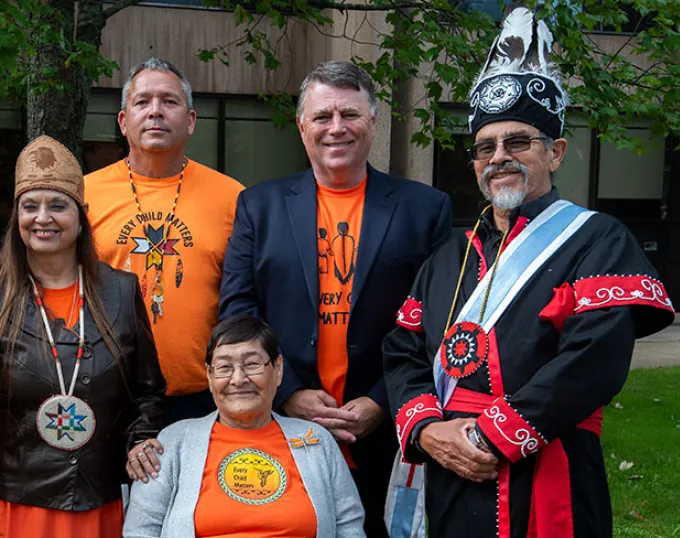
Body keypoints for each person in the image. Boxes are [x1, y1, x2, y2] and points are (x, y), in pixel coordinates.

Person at [383, 8, 675, 538]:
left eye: (518, 142)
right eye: (485, 147)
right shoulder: (449, 254)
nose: (499, 158)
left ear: (556, 152)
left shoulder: (598, 239)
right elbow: (401, 351)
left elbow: (594, 360)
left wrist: (489, 437)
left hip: (547, 468)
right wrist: (428, 431)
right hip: (449, 472)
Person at [218, 61, 451, 537]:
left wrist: (383, 401)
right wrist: (287, 393)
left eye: (350, 114)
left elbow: (440, 323)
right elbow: (239, 312)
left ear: (373, 121)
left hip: (386, 427)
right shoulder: (258, 206)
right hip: (283, 420)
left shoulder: (424, 209)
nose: (336, 128)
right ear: (302, 126)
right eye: (322, 116)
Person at [0, 135, 166, 538]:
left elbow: (147, 392)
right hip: (16, 507)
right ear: (16, 218)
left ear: (81, 218)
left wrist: (140, 437)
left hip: (99, 505)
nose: (42, 217)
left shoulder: (121, 292)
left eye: (57, 205)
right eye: (30, 206)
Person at [86, 58, 245, 424]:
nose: (155, 111)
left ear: (190, 121)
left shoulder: (232, 197)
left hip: (204, 397)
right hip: (109, 392)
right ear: (124, 122)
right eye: (142, 102)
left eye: (169, 101)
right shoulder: (84, 195)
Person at [123, 315, 366, 538]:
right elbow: (140, 531)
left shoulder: (316, 440)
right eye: (224, 367)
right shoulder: (173, 442)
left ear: (278, 369)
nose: (238, 379)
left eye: (251, 364)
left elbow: (349, 527)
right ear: (209, 376)